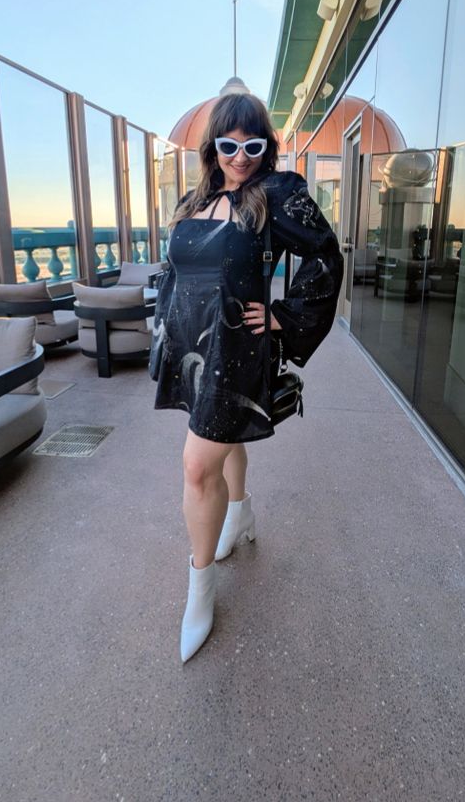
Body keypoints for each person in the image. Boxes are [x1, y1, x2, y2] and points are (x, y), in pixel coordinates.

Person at [149, 93, 343, 662]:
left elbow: (326, 256)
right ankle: (241, 511)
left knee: (195, 462)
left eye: (253, 145)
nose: (240, 157)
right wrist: (164, 333)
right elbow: (173, 269)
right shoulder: (195, 198)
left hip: (237, 346)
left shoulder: (278, 194)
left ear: (266, 147)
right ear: (214, 146)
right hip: (189, 343)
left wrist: (283, 315)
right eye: (229, 145)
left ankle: (200, 588)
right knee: (221, 439)